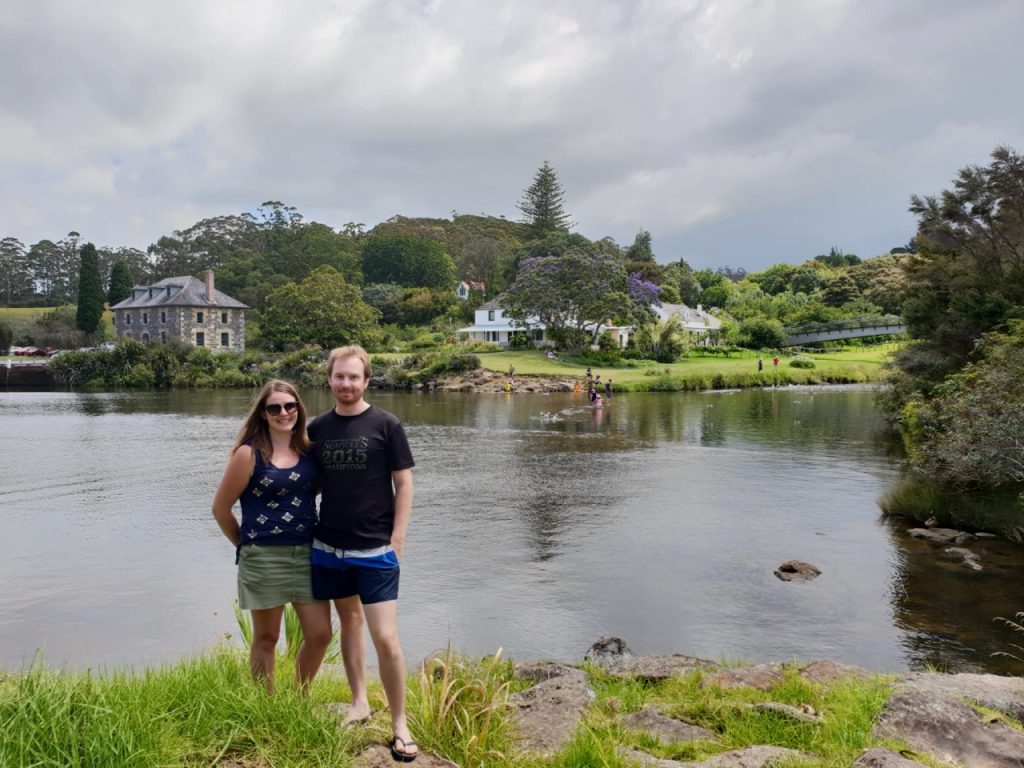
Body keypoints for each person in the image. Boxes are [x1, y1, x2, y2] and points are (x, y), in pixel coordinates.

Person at [308, 346, 418, 762]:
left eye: (354, 377)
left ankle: (400, 723)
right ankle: (359, 702)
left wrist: (398, 541)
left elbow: (403, 485)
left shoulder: (387, 425)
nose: (346, 384)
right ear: (329, 379)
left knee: (386, 638)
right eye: (339, 377)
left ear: (366, 380)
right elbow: (311, 483)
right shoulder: (317, 428)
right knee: (348, 624)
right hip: (328, 548)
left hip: (375, 550)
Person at [212, 380, 332, 693]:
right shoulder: (248, 454)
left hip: (308, 553)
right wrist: (244, 544)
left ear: (299, 409)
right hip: (263, 557)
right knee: (267, 638)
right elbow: (221, 509)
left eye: (290, 406)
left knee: (320, 634)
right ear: (263, 414)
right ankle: (266, 707)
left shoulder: (309, 451)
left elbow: (313, 491)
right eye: (274, 407)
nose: (283, 412)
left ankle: (298, 696)